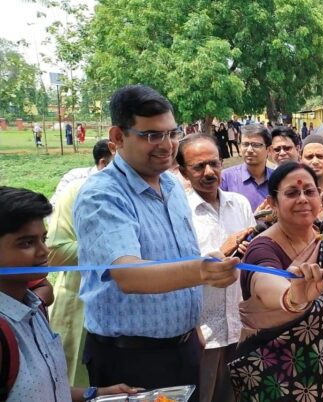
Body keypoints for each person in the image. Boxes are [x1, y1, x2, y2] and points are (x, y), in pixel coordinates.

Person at [74, 85, 240, 400]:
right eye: (151, 135)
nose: (166, 146)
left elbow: (180, 255)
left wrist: (190, 329)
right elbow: (128, 274)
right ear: (118, 137)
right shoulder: (103, 195)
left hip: (183, 348)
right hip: (131, 360)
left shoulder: (172, 184)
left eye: (171, 133)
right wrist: (203, 271)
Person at [230, 162, 323, 401]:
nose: (303, 199)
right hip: (279, 376)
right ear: (273, 203)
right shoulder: (262, 248)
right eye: (292, 193)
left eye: (309, 191)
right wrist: (294, 296)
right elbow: (266, 284)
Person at [0, 186, 141, 401]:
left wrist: (96, 394)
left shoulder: (34, 310)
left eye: (43, 239)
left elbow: (50, 390)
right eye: (27, 243)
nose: (44, 251)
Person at [177, 134, 256, 402]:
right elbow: (177, 269)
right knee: (202, 396)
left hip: (239, 325)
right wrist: (219, 252)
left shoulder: (240, 204)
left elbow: (250, 256)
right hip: (203, 331)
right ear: (183, 171)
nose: (209, 172)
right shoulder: (179, 212)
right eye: (199, 167)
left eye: (214, 163)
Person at [47, 142, 117, 388]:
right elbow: (54, 252)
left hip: (135, 332)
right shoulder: (78, 191)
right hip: (80, 309)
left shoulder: (162, 190)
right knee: (78, 383)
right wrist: (116, 252)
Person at [221, 124, 274, 212]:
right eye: (245, 144)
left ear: (268, 149)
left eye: (256, 145)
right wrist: (255, 218)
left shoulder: (278, 179)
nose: (249, 150)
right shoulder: (225, 178)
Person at [50, 139, 113, 206]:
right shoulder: (74, 177)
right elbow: (55, 204)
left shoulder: (119, 183)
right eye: (118, 161)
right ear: (103, 163)